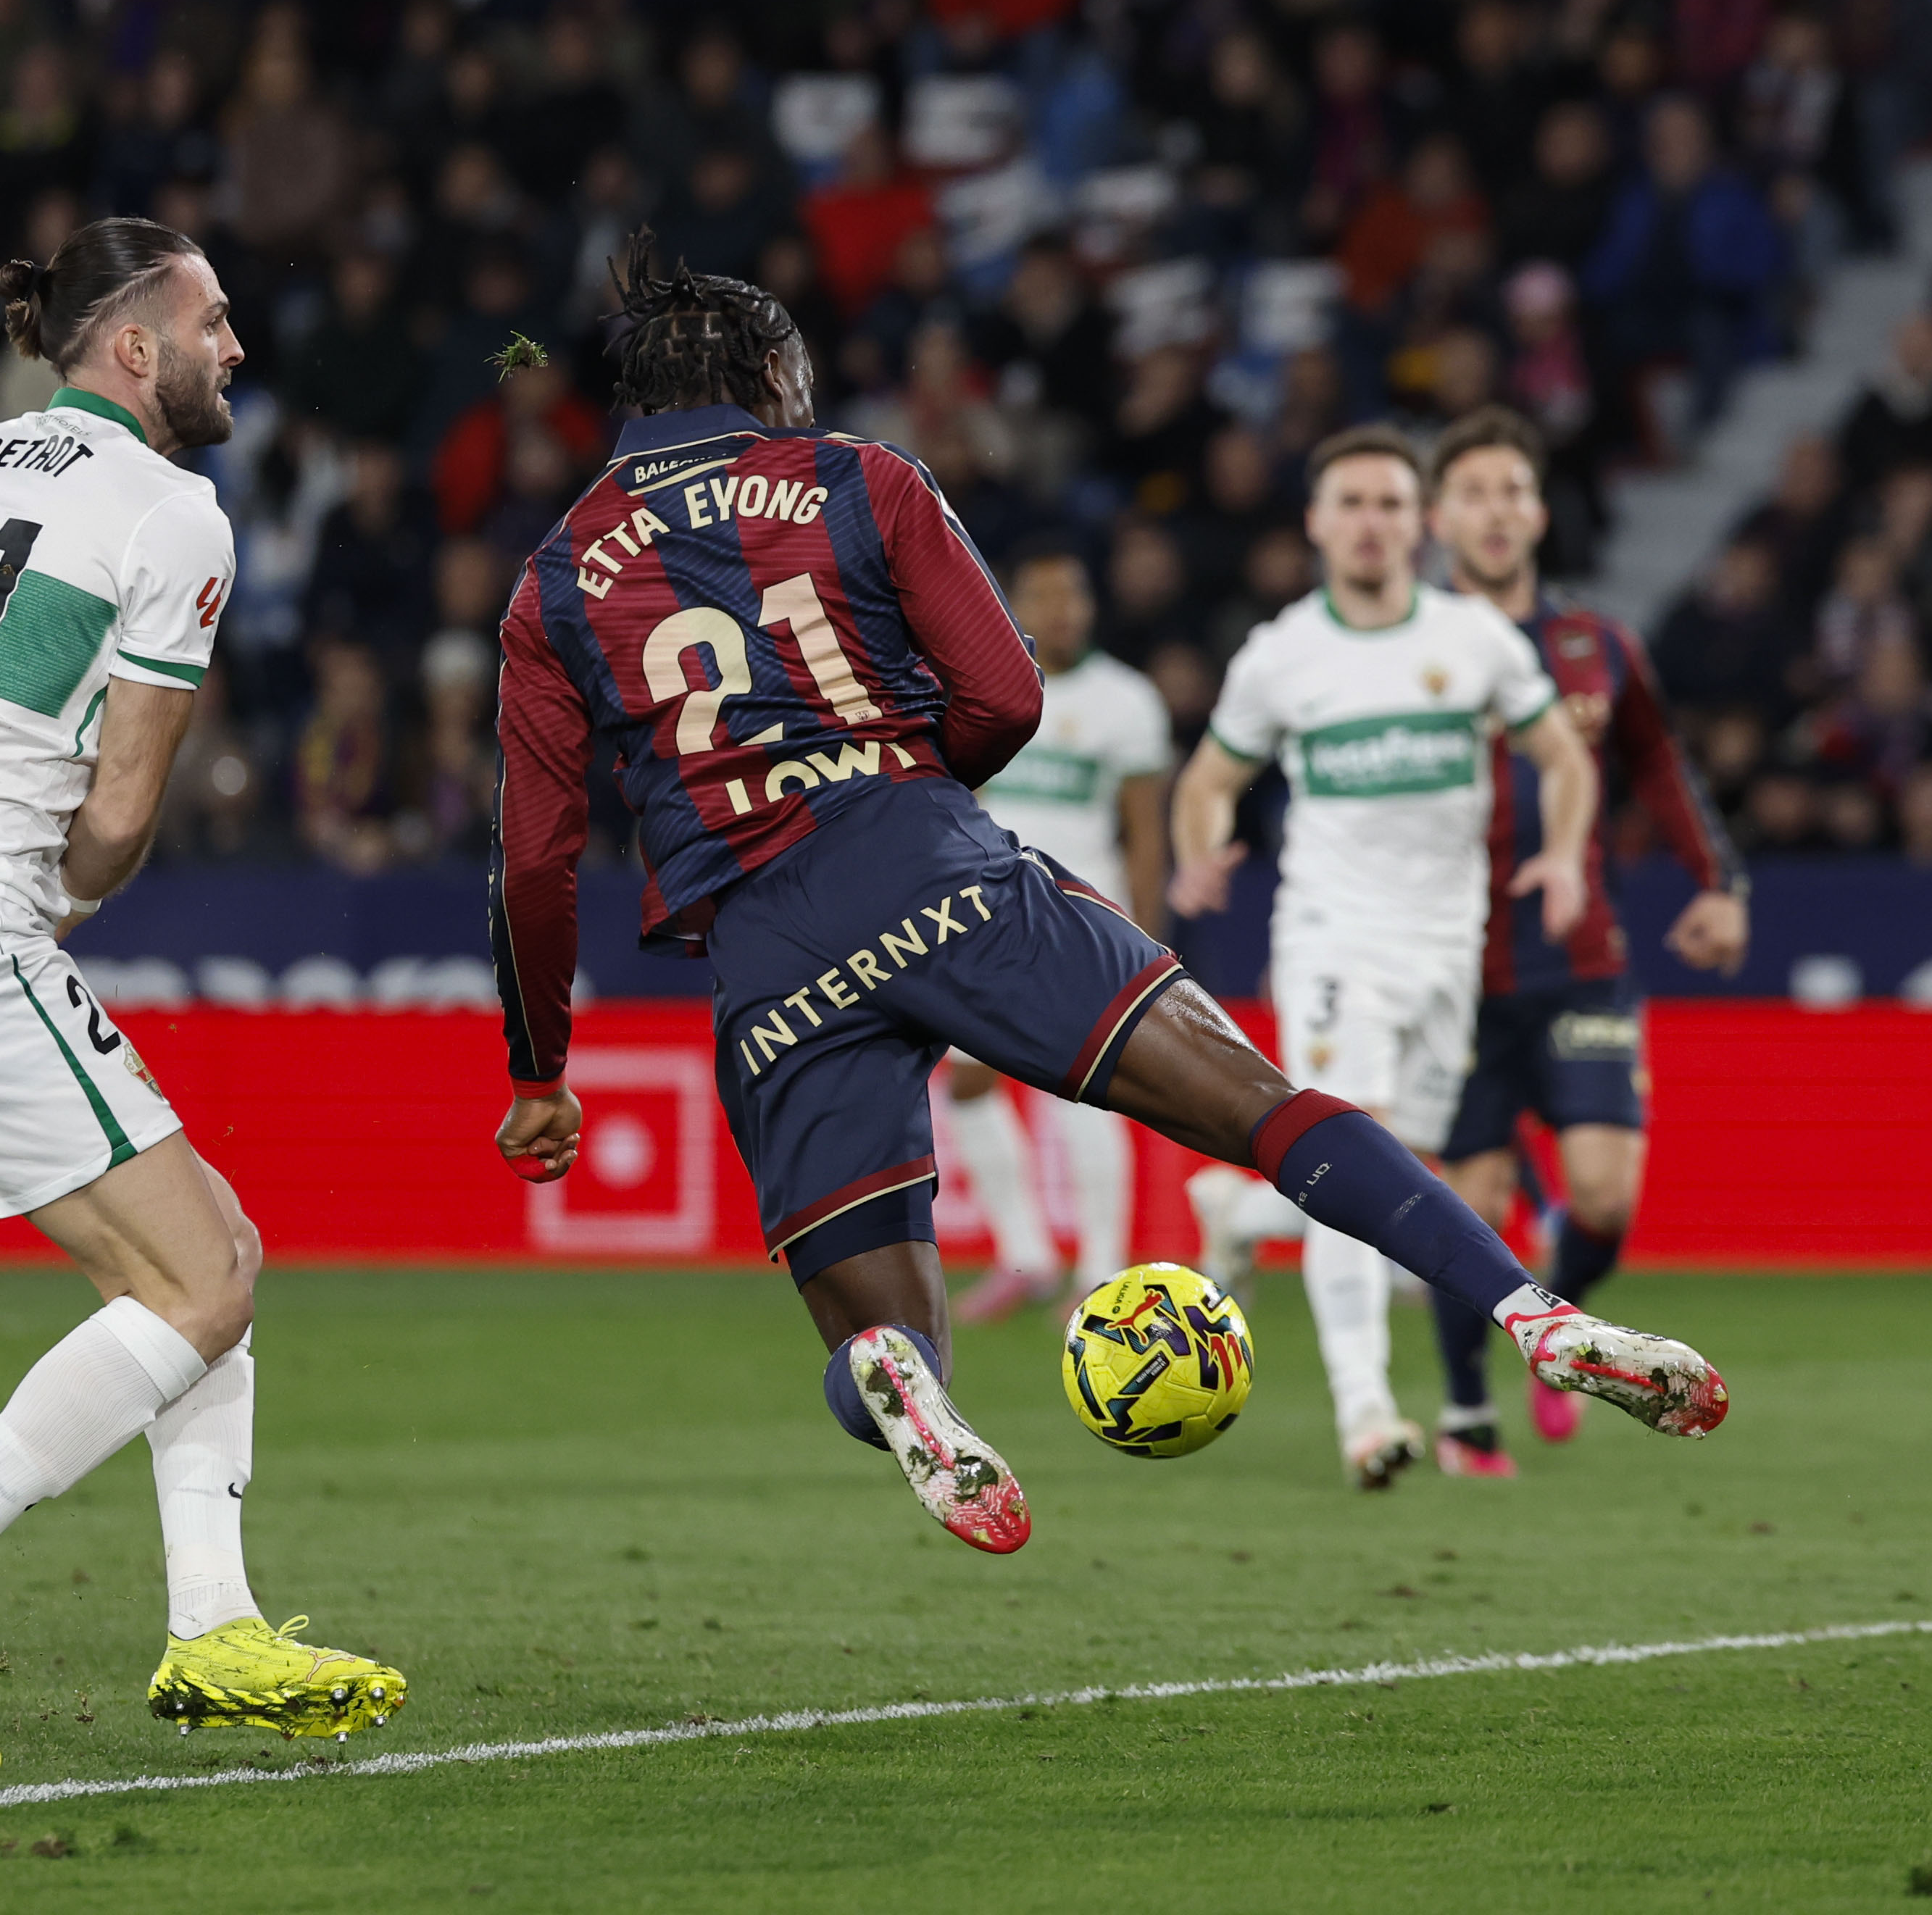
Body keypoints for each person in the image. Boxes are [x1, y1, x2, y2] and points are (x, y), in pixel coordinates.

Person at [492, 238, 1726, 1554]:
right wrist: (898, 788)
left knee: (884, 1329)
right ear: (764, 370)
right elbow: (1009, 694)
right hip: (926, 860)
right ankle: (1541, 1317)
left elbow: (534, 861)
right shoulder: (861, 476)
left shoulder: (554, 578)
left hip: (765, 958)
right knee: (1268, 1112)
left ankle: (897, 1380)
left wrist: (540, 1071)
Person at [0, 217, 403, 1770]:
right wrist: (39, 894)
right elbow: (123, 815)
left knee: (201, 1264)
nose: (237, 351)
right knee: (204, 1287)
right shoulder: (173, 511)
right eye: (213, 324)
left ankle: (214, 1623)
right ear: (134, 348)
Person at [1168, 423, 1605, 1490]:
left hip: (1446, 947)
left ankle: (1234, 1208)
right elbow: (1207, 781)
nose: (1371, 524)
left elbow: (1563, 755)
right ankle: (1366, 1414)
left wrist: (1562, 856)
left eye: (1389, 505)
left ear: (1423, 523)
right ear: (1317, 523)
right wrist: (1198, 857)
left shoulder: (1476, 640)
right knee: (1347, 1153)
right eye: (1351, 504)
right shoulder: (1283, 654)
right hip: (1332, 937)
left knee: (1398, 1180)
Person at [1425, 406, 1749, 1472]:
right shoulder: (1407, 652)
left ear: (1539, 510)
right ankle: (1468, 1415)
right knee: (1466, 1211)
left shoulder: (1597, 646)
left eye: (1513, 489)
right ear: (1441, 517)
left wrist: (1720, 882)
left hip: (1582, 962)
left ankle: (1561, 1341)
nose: (1497, 511)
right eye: (1474, 491)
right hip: (1450, 969)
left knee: (1604, 1200)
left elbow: (1659, 766)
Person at [947, 548, 1171, 1322]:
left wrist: (1149, 932)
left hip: (1082, 920)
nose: (1058, 609)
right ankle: (1027, 1256)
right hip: (986, 913)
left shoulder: (1126, 701)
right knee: (967, 1083)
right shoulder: (984, 687)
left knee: (1084, 1091)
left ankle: (1103, 1271)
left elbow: (1146, 830)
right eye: (1041, 596)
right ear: (1012, 606)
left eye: (1070, 593)